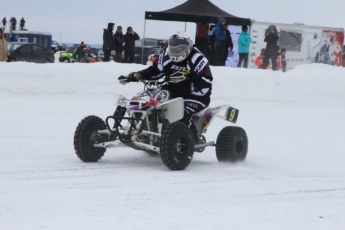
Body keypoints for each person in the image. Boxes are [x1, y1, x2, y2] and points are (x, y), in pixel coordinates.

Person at [118, 31, 213, 141]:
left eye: (179, 48)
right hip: (172, 91)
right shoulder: (166, 55)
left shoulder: (198, 59)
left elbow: (207, 82)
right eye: (173, 48)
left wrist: (192, 76)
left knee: (181, 113)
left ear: (187, 47)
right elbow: (155, 70)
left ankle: (192, 140)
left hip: (195, 96)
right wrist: (138, 75)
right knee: (150, 102)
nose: (176, 51)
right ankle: (147, 131)